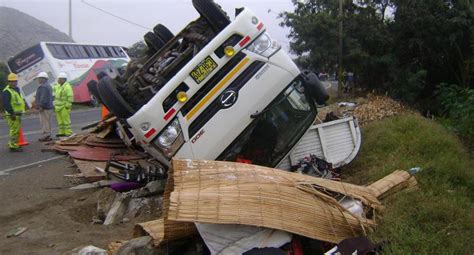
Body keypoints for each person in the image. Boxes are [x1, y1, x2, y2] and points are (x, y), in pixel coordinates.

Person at [1, 73, 26, 152]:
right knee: (14, 130)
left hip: (18, 114)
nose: (14, 83)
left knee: (17, 130)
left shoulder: (16, 89)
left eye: (15, 81)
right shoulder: (6, 92)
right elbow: (6, 104)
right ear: (8, 82)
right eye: (12, 81)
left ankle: (14, 144)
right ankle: (13, 146)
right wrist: (12, 113)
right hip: (12, 115)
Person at [34, 72, 54, 141]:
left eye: (39, 78)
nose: (38, 80)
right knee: (47, 122)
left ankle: (46, 136)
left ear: (43, 79)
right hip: (48, 107)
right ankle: (48, 135)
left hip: (45, 108)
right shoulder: (48, 85)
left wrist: (40, 106)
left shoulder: (43, 87)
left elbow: (43, 98)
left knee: (44, 122)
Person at [53, 72, 74, 137]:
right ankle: (62, 132)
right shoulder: (58, 86)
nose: (58, 80)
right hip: (58, 107)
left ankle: (68, 132)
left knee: (66, 120)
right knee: (60, 121)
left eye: (59, 79)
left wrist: (67, 106)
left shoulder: (67, 87)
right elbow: (53, 89)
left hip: (64, 107)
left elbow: (70, 97)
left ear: (63, 79)